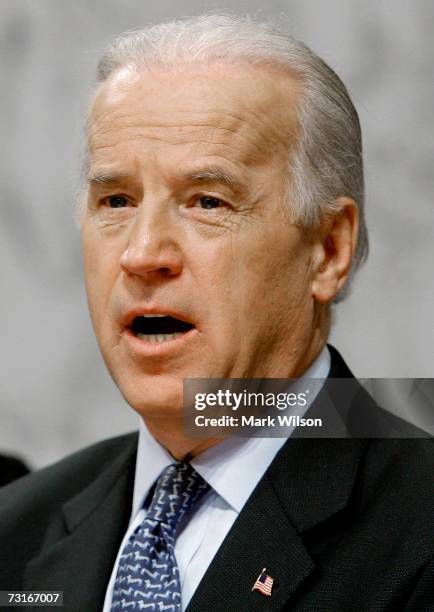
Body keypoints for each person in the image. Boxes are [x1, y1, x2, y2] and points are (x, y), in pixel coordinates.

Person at [0, 15, 432, 612]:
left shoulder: (419, 531)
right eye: (116, 200)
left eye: (208, 201)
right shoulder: (15, 529)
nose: (143, 253)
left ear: (328, 250)